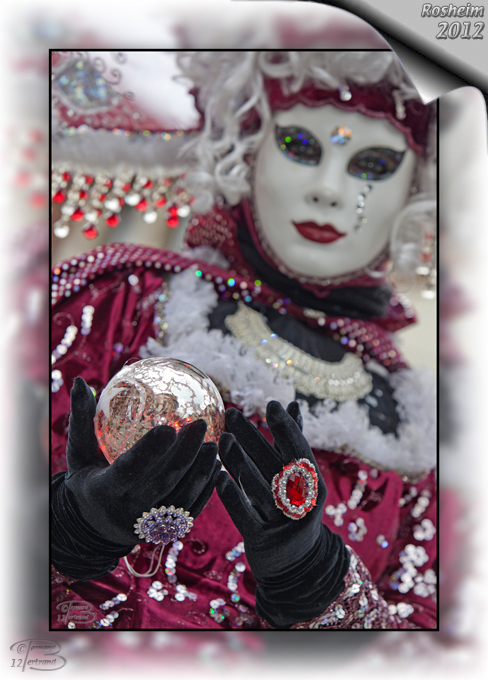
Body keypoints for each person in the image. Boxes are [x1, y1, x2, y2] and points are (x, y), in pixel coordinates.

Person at [51, 51, 436, 630]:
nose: (329, 191)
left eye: (373, 164)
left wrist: (318, 587)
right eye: (301, 147)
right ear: (246, 150)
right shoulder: (118, 301)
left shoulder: (417, 431)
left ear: (416, 187)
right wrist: (68, 529)